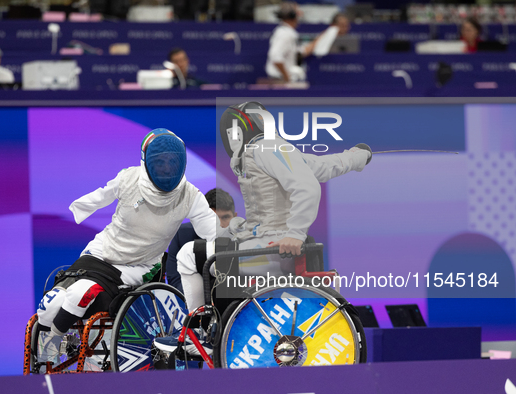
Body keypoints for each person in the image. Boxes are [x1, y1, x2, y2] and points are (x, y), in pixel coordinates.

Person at [154, 101, 372, 355]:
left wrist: (295, 233)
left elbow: (308, 187)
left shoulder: (265, 148)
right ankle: (210, 325)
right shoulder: (278, 149)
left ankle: (198, 335)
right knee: (202, 239)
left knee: (188, 255)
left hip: (270, 250)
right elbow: (324, 167)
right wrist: (359, 156)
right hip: (261, 241)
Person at [36, 129, 227, 364]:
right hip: (100, 252)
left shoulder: (190, 196)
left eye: (172, 162)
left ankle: (53, 343)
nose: (167, 168)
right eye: (160, 161)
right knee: (53, 302)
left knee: (79, 293)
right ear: (147, 161)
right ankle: (47, 343)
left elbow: (215, 233)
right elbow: (100, 195)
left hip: (139, 266)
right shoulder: (128, 179)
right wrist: (77, 209)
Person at [166, 188, 237, 293]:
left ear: (235, 217)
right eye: (215, 218)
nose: (220, 224)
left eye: (225, 217)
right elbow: (175, 283)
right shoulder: (182, 235)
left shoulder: (244, 237)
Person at [265, 2, 320, 82]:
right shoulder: (285, 34)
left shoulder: (287, 32)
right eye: (298, 12)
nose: (300, 15)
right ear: (292, 15)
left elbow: (300, 52)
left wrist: (321, 38)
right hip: (280, 81)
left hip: (282, 79)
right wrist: (287, 77)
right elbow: (275, 56)